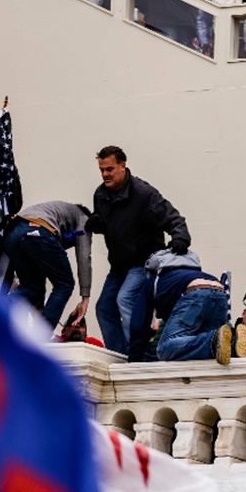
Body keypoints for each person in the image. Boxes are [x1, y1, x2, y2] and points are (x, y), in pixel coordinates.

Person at [89, 146, 190, 355]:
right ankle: (119, 354)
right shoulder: (101, 195)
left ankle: (138, 353)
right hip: (118, 266)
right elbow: (105, 220)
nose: (105, 174)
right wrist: (97, 223)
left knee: (125, 298)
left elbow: (172, 217)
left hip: (143, 261)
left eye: (109, 169)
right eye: (102, 170)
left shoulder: (144, 194)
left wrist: (180, 237)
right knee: (104, 308)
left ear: (123, 166)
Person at [3, 201, 92, 332]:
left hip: (12, 235)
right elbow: (84, 256)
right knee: (65, 284)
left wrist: (40, 311)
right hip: (38, 231)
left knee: (32, 289)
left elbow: (43, 258)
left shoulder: (57, 211)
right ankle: (41, 337)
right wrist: (85, 297)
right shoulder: (83, 218)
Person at [155, 272, 235, 364]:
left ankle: (213, 340)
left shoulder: (153, 277)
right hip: (220, 291)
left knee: (164, 348)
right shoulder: (190, 268)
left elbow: (141, 321)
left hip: (196, 292)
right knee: (218, 349)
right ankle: (234, 343)